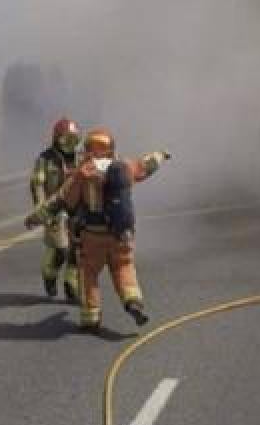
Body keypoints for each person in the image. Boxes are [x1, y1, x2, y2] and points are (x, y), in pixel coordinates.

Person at [41, 127, 169, 331]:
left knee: (89, 274)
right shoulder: (124, 168)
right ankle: (132, 300)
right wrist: (162, 155)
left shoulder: (82, 173)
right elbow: (146, 165)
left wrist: (36, 217)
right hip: (121, 236)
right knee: (124, 268)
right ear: (112, 149)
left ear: (87, 149)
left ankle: (91, 317)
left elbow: (64, 200)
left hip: (92, 236)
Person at [25, 118, 82, 302]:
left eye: (74, 139)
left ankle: (71, 284)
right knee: (61, 248)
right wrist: (41, 209)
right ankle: (49, 273)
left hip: (77, 209)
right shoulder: (45, 159)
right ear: (57, 139)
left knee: (79, 248)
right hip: (54, 209)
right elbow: (37, 184)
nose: (70, 144)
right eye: (66, 139)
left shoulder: (82, 158)